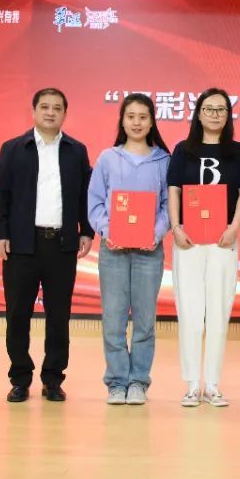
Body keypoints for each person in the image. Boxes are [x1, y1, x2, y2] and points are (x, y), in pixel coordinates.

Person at [0, 88, 93, 404]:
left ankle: (53, 379)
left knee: (59, 316)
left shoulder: (76, 151)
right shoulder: (13, 149)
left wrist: (87, 231)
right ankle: (20, 379)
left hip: (61, 245)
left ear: (64, 114)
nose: (50, 112)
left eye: (57, 108)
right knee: (17, 314)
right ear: (33, 111)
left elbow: (85, 195)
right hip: (21, 245)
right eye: (45, 107)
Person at [167, 88, 240, 408]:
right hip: (188, 241)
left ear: (228, 115)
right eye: (209, 109)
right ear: (199, 113)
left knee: (218, 312)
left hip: (223, 240)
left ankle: (213, 384)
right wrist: (176, 228)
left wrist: (234, 228)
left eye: (221, 109)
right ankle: (192, 384)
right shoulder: (183, 150)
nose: (215, 114)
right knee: (190, 313)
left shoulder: (239, 152)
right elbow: (174, 190)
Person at [87, 93, 171, 406]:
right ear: (122, 121)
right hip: (113, 251)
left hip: (149, 252)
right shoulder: (108, 158)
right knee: (114, 320)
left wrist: (155, 233)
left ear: (152, 122)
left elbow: (169, 206)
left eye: (143, 117)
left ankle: (138, 382)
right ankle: (116, 382)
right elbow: (95, 203)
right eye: (131, 116)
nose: (137, 123)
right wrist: (108, 232)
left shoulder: (163, 160)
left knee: (145, 321)